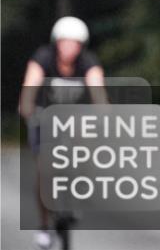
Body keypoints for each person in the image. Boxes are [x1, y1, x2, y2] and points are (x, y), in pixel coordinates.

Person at [19, 16, 107, 250]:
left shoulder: (88, 62)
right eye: (65, 42)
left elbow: (99, 94)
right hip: (43, 119)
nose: (69, 48)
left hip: (74, 121)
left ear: (82, 46)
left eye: (75, 43)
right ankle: (44, 226)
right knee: (44, 172)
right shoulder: (42, 59)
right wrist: (27, 108)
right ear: (56, 43)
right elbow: (30, 86)